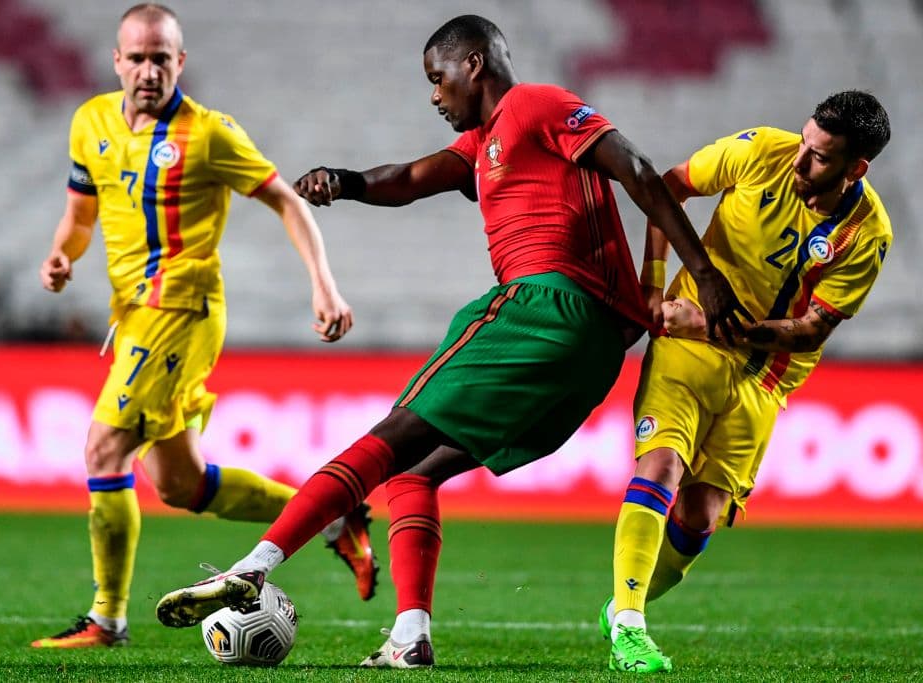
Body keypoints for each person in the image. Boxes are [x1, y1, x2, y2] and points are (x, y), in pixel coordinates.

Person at [153, 13, 748, 667]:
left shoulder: (536, 105)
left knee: (393, 432)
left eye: (438, 80)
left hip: (546, 307)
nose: (434, 96)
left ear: (473, 66)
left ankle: (255, 565)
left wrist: (704, 274)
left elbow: (636, 168)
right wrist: (345, 182)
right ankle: (410, 635)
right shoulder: (484, 143)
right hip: (591, 356)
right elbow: (408, 179)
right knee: (413, 472)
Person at [31, 3, 377, 649]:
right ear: (117, 61)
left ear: (179, 62)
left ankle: (106, 618)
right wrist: (62, 256)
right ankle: (333, 515)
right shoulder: (92, 121)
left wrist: (324, 285)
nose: (148, 70)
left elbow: (285, 198)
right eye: (136, 57)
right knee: (183, 486)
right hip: (131, 314)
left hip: (182, 311)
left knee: (104, 448)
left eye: (161, 58)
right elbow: (80, 213)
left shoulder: (208, 133)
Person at [599, 90, 893, 673]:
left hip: (764, 378)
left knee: (698, 519)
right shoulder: (761, 151)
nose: (799, 162)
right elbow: (669, 187)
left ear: (856, 168)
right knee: (659, 464)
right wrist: (654, 281)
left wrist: (715, 326)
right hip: (684, 345)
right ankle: (631, 626)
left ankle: (619, 603)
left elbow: (810, 332)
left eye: (819, 157)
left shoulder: (867, 235)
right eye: (804, 142)